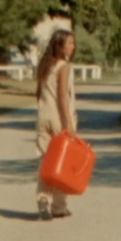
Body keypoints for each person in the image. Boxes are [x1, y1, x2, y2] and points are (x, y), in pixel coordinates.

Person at [34, 28, 79, 220]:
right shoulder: (63, 67)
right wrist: (68, 124)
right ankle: (59, 206)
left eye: (73, 43)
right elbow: (63, 96)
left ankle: (43, 201)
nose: (72, 47)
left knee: (46, 161)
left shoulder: (46, 65)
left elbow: (38, 92)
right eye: (68, 43)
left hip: (43, 115)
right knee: (62, 162)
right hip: (58, 117)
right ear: (60, 47)